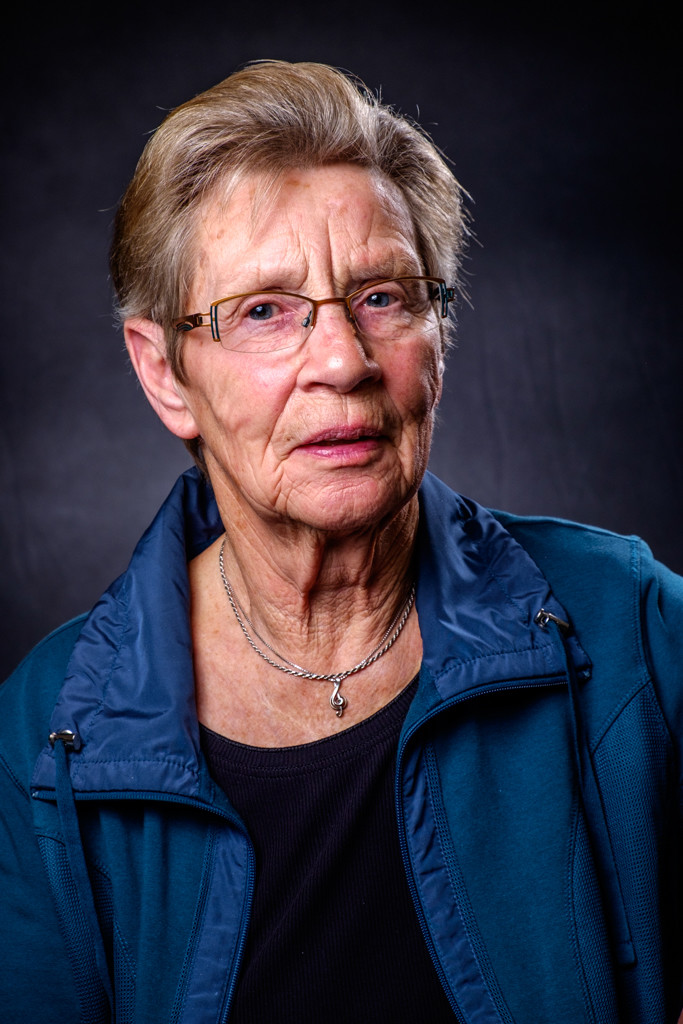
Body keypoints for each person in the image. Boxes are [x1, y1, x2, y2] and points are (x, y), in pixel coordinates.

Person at [0, 60, 681, 1024]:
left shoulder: (635, 628)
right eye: (264, 311)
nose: (342, 361)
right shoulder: (43, 732)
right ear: (164, 375)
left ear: (437, 333)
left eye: (382, 297)